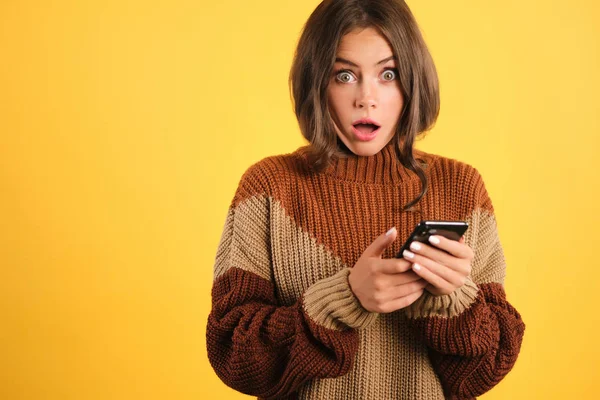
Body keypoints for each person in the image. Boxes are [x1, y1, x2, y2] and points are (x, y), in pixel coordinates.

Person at [206, 0, 526, 399]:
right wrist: (343, 299)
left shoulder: (461, 187)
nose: (366, 98)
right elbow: (233, 355)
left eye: (388, 74)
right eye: (344, 75)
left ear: (412, 82)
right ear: (317, 83)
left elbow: (485, 369)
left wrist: (452, 300)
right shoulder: (269, 187)